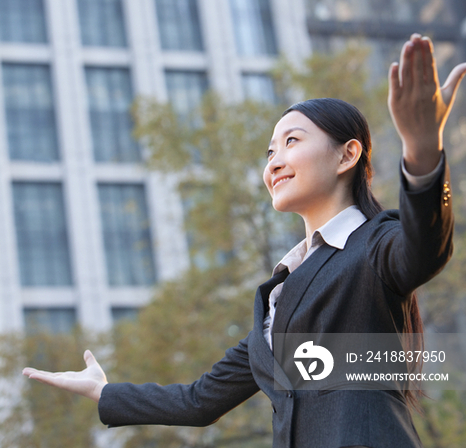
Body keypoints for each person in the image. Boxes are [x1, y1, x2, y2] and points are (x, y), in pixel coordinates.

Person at [23, 34, 466, 448]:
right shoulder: (280, 295)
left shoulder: (375, 244)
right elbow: (199, 401)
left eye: (292, 141)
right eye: (270, 152)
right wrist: (105, 392)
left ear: (348, 155)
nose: (274, 162)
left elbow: (425, 249)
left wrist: (422, 150)